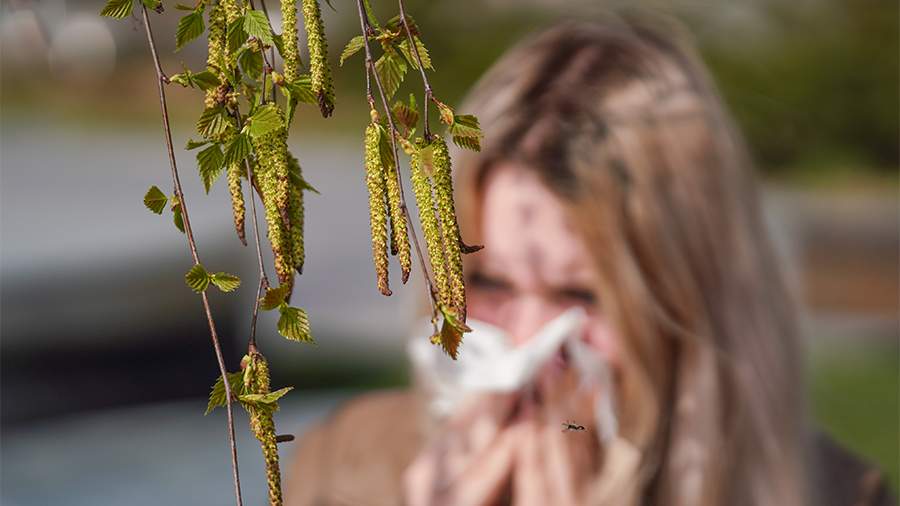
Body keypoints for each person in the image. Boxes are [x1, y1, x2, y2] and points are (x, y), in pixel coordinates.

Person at [285, 17, 894, 506]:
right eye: (490, 282)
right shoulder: (344, 468)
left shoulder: (838, 493)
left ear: (688, 301)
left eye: (582, 296)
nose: (528, 346)